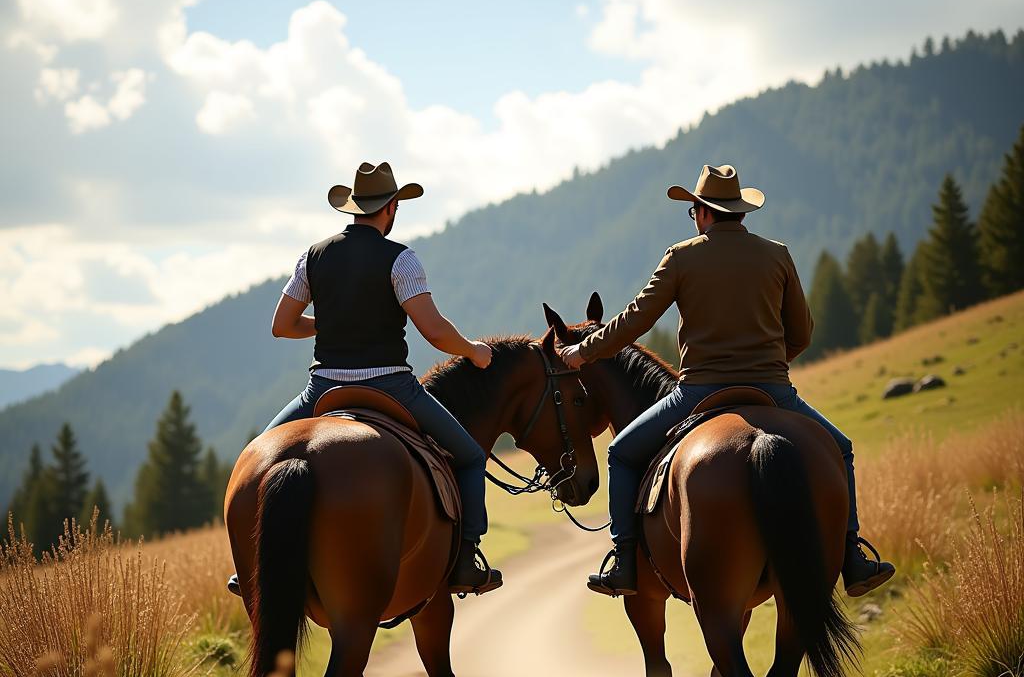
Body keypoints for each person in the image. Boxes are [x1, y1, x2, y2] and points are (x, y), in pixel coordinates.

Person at [557, 163, 895, 599]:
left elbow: (634, 321)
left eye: (694, 211)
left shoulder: (681, 256)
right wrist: (770, 364)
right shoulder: (778, 254)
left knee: (621, 453)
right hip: (774, 390)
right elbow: (803, 333)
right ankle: (852, 555)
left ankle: (623, 562)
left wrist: (582, 352)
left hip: (698, 391)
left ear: (702, 212)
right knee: (841, 449)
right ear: (738, 211)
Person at [229, 161, 500, 596]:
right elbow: (432, 329)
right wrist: (473, 351)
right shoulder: (401, 259)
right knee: (468, 456)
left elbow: (282, 324)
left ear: (353, 209)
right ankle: (466, 559)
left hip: (322, 390)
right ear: (391, 208)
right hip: (391, 386)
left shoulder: (312, 256)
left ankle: (246, 569)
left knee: (253, 464)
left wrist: (331, 321)